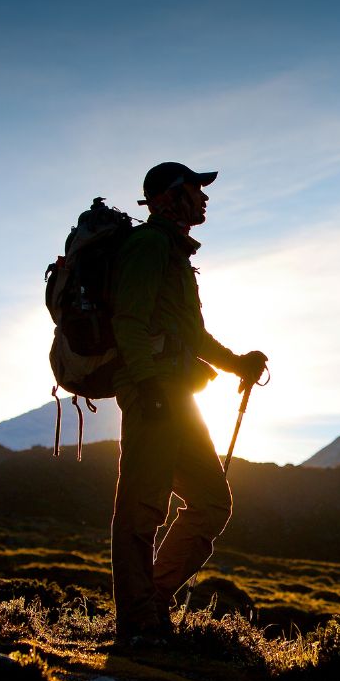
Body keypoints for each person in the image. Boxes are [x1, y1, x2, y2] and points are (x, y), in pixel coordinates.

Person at [109, 161, 267, 645]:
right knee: (142, 508)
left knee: (212, 503)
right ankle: (138, 625)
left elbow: (191, 334)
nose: (203, 197)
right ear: (169, 197)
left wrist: (237, 363)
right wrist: (150, 386)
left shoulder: (174, 254)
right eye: (195, 189)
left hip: (176, 395)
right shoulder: (149, 246)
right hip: (155, 393)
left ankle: (151, 607)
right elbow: (128, 321)